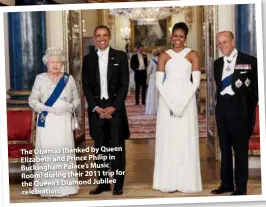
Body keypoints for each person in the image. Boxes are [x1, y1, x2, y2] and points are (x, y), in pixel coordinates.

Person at [153, 22, 202, 193]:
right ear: (171, 36)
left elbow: (195, 82)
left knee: (185, 139)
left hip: (187, 101)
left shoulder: (193, 55)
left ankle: (187, 182)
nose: (178, 39)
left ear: (186, 38)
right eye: (175, 36)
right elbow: (159, 82)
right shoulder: (164, 55)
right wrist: (172, 103)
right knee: (169, 139)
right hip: (167, 102)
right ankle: (167, 181)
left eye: (181, 36)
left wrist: (182, 103)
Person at [82, 25, 130, 195]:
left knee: (117, 148)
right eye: (98, 36)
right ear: (94, 38)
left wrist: (113, 107)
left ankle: (118, 185)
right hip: (96, 109)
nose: (101, 38)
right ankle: (103, 183)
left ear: (109, 37)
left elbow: (125, 85)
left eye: (104, 35)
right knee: (100, 147)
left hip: (115, 108)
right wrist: (95, 107)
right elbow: (86, 86)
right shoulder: (88, 60)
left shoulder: (120, 56)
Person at [28, 47, 80, 198]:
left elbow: (76, 99)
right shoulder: (40, 78)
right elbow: (32, 100)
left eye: (58, 62)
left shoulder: (68, 79)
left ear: (62, 63)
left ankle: (67, 188)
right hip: (47, 120)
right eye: (52, 62)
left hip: (63, 120)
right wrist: (47, 109)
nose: (55, 65)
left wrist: (69, 107)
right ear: (47, 63)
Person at [211, 31, 258, 196]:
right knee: (224, 149)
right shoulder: (217, 63)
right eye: (219, 43)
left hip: (240, 110)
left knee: (240, 151)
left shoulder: (249, 61)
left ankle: (240, 188)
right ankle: (226, 184)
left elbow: (255, 92)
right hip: (222, 109)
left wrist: (248, 110)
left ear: (233, 41)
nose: (222, 46)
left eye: (224, 42)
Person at [145, 48, 161, 115]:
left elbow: (148, 72)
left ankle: (152, 109)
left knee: (152, 94)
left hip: (153, 79)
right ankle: (159, 108)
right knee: (159, 94)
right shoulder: (161, 60)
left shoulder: (152, 61)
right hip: (160, 78)